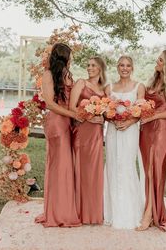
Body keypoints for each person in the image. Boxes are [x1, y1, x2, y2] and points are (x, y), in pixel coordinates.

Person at [137, 49, 166, 231]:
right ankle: (152, 208)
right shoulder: (153, 81)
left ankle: (149, 213)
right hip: (146, 130)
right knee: (148, 171)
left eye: (160, 60)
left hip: (161, 130)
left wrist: (153, 116)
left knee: (155, 170)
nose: (157, 62)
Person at [35, 43, 81, 227]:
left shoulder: (68, 75)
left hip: (68, 122)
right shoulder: (48, 74)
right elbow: (50, 104)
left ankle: (65, 208)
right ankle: (58, 213)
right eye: (70, 55)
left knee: (66, 165)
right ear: (64, 57)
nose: (72, 59)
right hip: (56, 123)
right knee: (59, 165)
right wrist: (73, 115)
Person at [104, 55, 145, 229]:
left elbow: (142, 111)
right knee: (113, 165)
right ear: (117, 67)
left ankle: (131, 212)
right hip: (113, 130)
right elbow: (104, 111)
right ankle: (112, 212)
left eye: (128, 65)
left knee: (127, 165)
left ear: (132, 67)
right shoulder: (109, 87)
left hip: (130, 130)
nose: (125, 68)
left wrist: (129, 122)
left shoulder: (139, 87)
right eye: (121, 65)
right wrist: (112, 120)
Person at [70, 56, 106, 224]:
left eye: (93, 65)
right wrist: (90, 117)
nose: (89, 67)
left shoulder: (104, 90)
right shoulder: (80, 83)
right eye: (88, 64)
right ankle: (79, 211)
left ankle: (93, 213)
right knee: (81, 170)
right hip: (83, 131)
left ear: (100, 68)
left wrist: (103, 118)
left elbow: (106, 113)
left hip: (97, 134)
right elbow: (72, 108)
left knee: (94, 172)